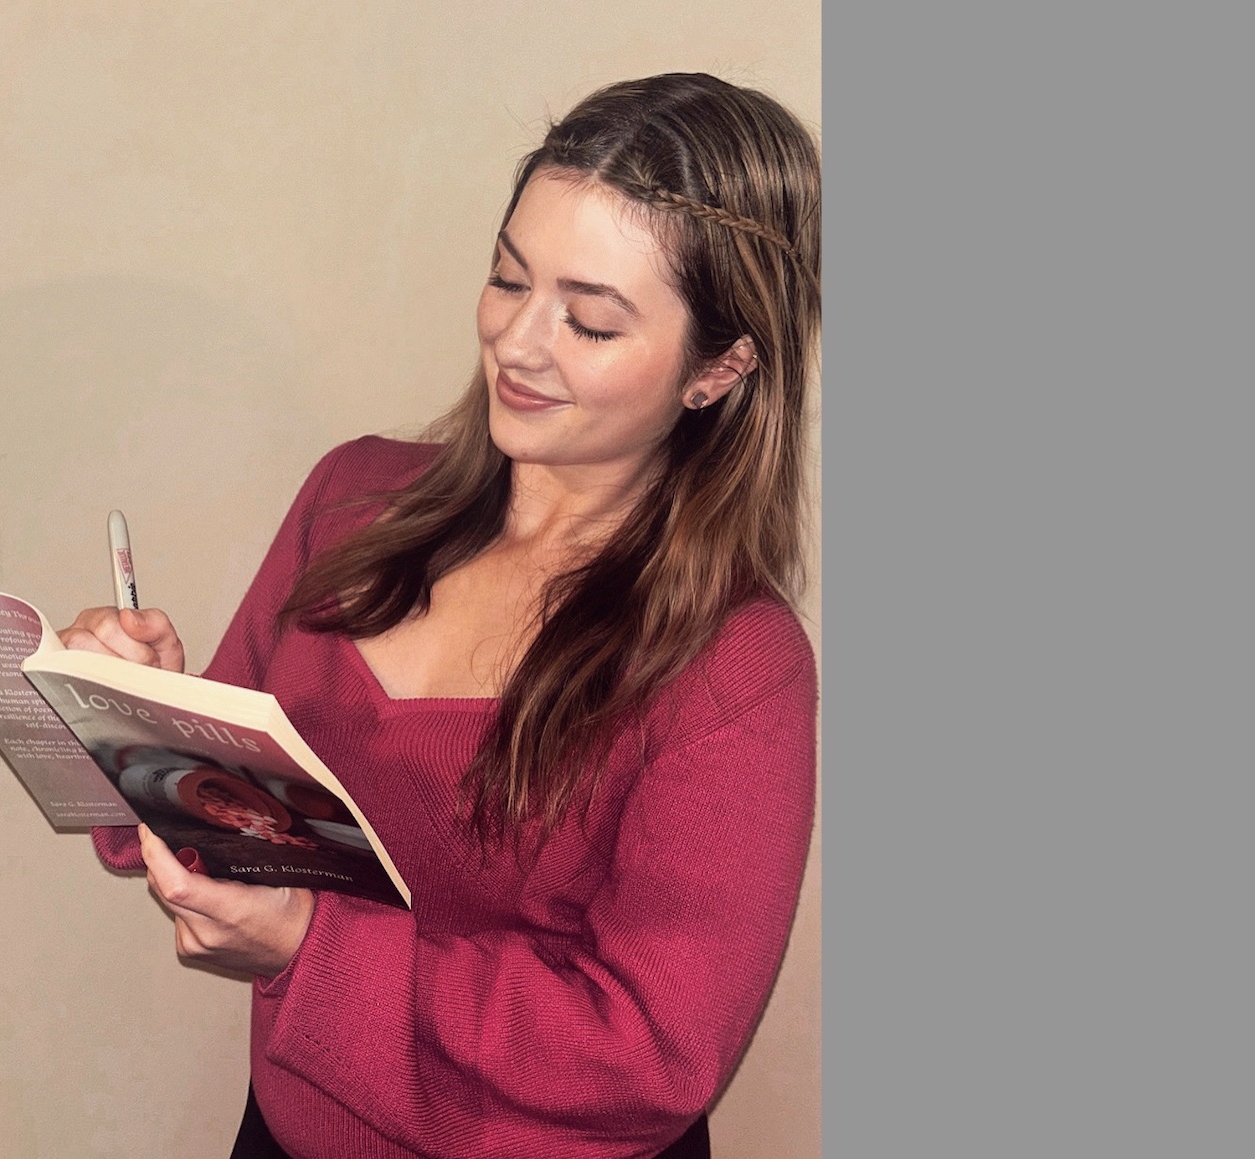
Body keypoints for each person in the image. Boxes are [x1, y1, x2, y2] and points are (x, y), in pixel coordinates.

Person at [60, 72, 821, 1159]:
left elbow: (648, 1059)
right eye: (508, 279)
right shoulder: (351, 498)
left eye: (591, 322)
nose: (517, 341)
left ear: (719, 369)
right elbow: (219, 827)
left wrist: (308, 949)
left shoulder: (737, 665)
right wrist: (137, 714)